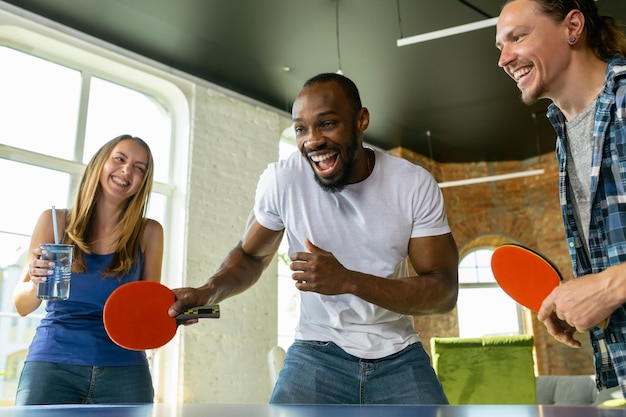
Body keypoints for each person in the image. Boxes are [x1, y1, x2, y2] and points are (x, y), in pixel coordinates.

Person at [168, 73, 459, 404]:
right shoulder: (283, 180)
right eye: (301, 129)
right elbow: (251, 256)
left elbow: (443, 292)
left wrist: (349, 280)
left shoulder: (412, 185)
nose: (312, 140)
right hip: (317, 350)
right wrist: (209, 291)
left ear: (361, 120)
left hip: (399, 353)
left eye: (327, 124)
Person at [496, 0, 626, 396]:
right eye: (500, 46)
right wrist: (578, 294)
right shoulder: (566, 136)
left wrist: (609, 288)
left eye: (518, 37)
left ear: (572, 26)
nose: (504, 58)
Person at [13, 134, 164, 405]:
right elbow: (22, 306)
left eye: (139, 168)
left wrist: (174, 312)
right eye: (120, 159)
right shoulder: (55, 221)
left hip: (125, 367)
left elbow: (149, 311)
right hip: (53, 362)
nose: (127, 169)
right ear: (100, 164)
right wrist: (37, 282)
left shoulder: (149, 233)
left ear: (143, 182)